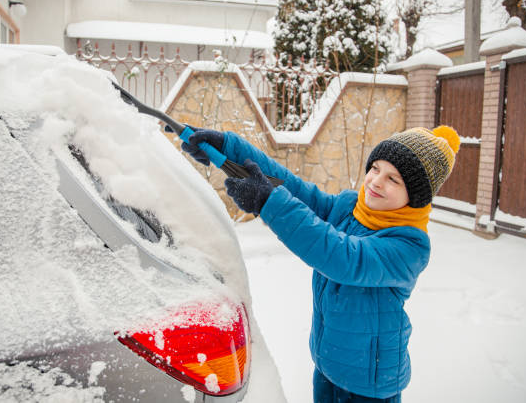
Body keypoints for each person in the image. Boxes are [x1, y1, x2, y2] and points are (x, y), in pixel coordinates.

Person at [177, 124, 460, 403]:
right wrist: (228, 148)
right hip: (327, 366)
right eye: (375, 168)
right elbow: (297, 190)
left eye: (393, 179)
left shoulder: (408, 246)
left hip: (369, 386)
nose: (375, 181)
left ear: (415, 197)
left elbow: (342, 256)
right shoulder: (350, 208)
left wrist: (268, 202)